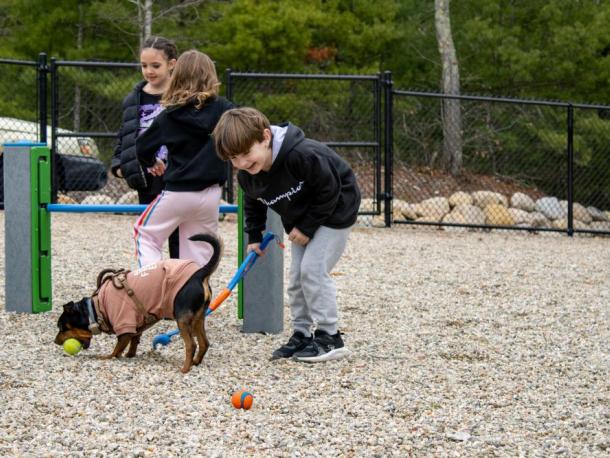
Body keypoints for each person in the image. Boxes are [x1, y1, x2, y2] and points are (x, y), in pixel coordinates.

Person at [213, 107, 361, 363]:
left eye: (246, 154)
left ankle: (330, 337)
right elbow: (254, 202)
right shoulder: (248, 174)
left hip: (336, 208)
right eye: (233, 159)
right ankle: (302, 334)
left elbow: (330, 189)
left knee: (312, 271)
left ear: (266, 137)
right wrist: (254, 236)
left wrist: (307, 228)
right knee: (296, 278)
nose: (241, 164)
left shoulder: (301, 155)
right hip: (303, 218)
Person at [134, 50, 233, 268]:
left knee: (146, 235)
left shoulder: (170, 115)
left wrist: (152, 162)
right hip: (211, 192)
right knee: (198, 251)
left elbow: (141, 147)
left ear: (177, 77)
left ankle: (154, 289)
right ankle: (197, 300)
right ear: (210, 76)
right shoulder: (225, 110)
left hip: (178, 191)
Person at [111, 36, 181, 258]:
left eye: (155, 65)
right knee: (150, 236)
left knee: (180, 237)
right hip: (147, 176)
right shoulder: (134, 98)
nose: (149, 71)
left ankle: (180, 286)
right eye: (144, 65)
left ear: (172, 64)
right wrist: (118, 164)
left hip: (178, 175)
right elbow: (126, 134)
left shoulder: (182, 96)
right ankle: (152, 284)